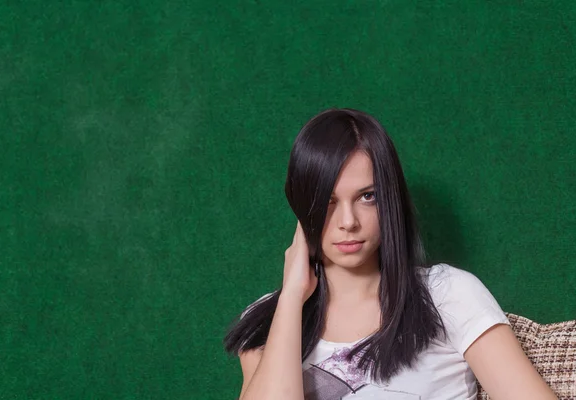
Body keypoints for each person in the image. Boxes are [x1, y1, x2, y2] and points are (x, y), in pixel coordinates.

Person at [223, 108, 557, 400]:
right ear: (301, 208)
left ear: (390, 200)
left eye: (367, 196)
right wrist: (292, 295)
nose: (348, 222)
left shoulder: (448, 294)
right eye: (327, 201)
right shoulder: (271, 319)